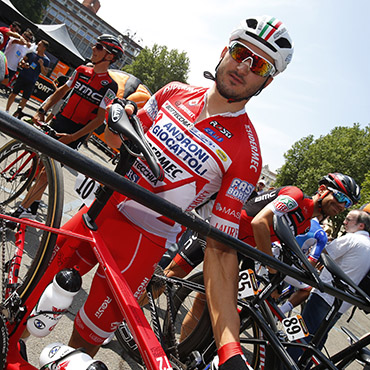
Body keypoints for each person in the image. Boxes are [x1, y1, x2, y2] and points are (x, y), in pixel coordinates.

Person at [54, 15, 294, 365]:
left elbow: (221, 251)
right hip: (99, 208)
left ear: (267, 82)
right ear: (225, 50)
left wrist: (230, 349)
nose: (243, 66)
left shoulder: (247, 153)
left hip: (142, 242)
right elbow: (121, 140)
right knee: (36, 295)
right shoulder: (173, 92)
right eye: (241, 51)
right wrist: (119, 112)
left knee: (83, 340)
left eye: (257, 64)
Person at [4, 35, 122, 226]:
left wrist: (73, 137)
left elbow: (100, 118)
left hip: (74, 132)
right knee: (39, 165)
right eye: (95, 44)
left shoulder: (110, 86)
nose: (93, 48)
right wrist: (42, 109)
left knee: (46, 174)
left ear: (110, 57)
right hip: (58, 121)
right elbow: (61, 91)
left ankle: (20, 212)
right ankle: (33, 206)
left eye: (99, 47)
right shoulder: (81, 70)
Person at [297, 209, 370, 351]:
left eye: (349, 219)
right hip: (344, 302)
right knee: (318, 338)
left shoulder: (352, 238)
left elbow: (323, 253)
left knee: (303, 333)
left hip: (326, 294)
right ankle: (306, 363)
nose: (344, 222)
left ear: (361, 225)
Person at [5, 40, 50, 116]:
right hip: (22, 76)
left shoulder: (46, 60)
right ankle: (7, 110)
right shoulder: (31, 53)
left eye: (39, 45)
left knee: (24, 99)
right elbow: (22, 61)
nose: (37, 46)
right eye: (38, 44)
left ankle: (16, 114)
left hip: (31, 81)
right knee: (14, 93)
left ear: (44, 48)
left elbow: (45, 73)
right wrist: (23, 64)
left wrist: (41, 65)